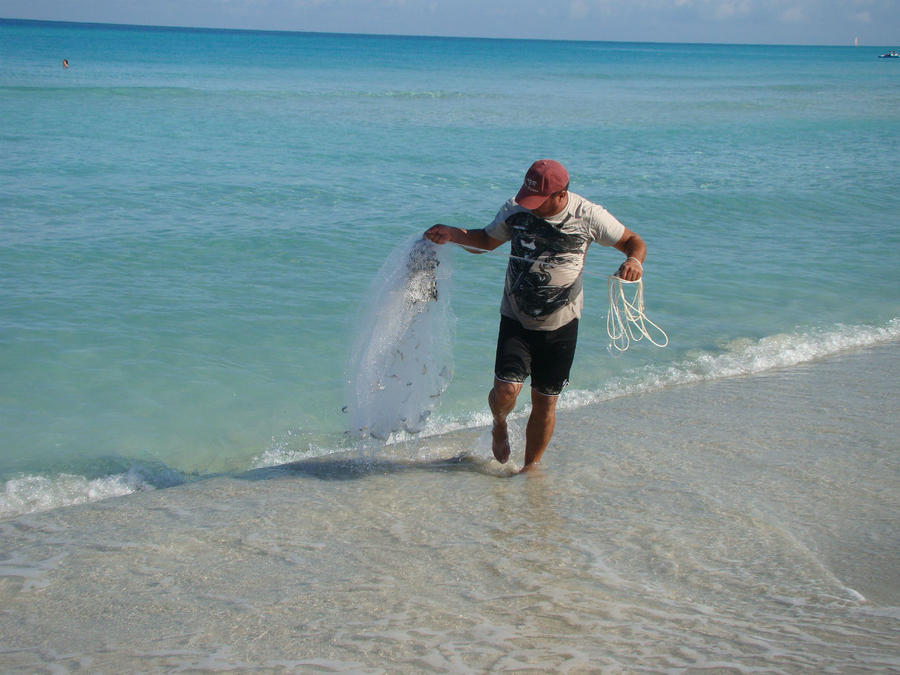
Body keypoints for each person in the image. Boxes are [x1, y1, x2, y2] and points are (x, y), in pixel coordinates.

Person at [423, 159, 646, 472]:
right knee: (505, 391)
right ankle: (499, 423)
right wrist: (453, 234)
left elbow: (633, 242)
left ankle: (530, 469)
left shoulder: (588, 215)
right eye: (528, 199)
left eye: (539, 202)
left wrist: (634, 262)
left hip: (562, 323)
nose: (531, 207)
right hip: (516, 316)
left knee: (545, 401)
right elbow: (487, 241)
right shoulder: (515, 209)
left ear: (560, 195)